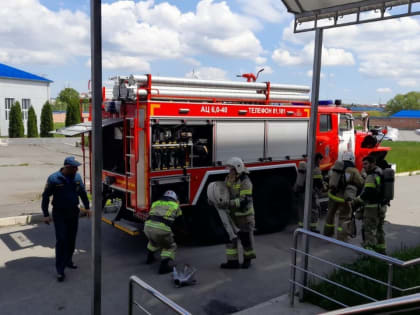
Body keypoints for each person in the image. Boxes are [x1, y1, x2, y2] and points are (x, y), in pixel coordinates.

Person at [42, 156, 91, 282]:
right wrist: (45, 214)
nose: (77, 170)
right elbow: (46, 197)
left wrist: (87, 207)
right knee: (62, 240)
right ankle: (60, 270)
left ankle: (68, 260)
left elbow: (83, 193)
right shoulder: (54, 178)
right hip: (60, 214)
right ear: (67, 168)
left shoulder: (77, 177)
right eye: (75, 168)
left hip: (73, 212)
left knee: (71, 239)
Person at [220, 157, 256, 269]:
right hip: (232, 216)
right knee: (230, 238)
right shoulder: (228, 179)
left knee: (246, 240)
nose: (229, 171)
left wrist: (229, 203)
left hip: (244, 217)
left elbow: (244, 200)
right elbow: (223, 192)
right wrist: (215, 199)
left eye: (231, 169)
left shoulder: (245, 181)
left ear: (237, 169)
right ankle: (232, 262)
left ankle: (247, 259)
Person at [323, 152, 363, 242]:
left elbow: (329, 178)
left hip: (332, 195)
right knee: (344, 217)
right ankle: (341, 237)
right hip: (344, 198)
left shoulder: (335, 167)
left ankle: (327, 233)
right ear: (352, 159)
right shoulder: (353, 171)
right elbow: (360, 183)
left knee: (330, 214)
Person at [354, 155, 387, 254]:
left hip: (371, 208)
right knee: (380, 229)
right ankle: (382, 250)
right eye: (363, 164)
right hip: (381, 206)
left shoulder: (371, 176)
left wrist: (357, 201)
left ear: (373, 164)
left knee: (369, 231)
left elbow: (368, 192)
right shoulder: (380, 172)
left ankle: (369, 255)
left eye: (366, 164)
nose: (364, 166)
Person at [143, 190, 182, 274]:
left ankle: (149, 258)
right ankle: (164, 267)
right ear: (175, 198)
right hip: (161, 229)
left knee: (153, 242)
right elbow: (179, 219)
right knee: (169, 246)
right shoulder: (175, 205)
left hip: (147, 227)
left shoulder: (155, 203)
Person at [295, 153, 325, 232]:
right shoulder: (316, 169)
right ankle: (312, 228)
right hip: (309, 193)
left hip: (300, 191)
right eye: (320, 160)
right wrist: (323, 190)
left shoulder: (306, 165)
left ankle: (301, 226)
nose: (320, 162)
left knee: (302, 209)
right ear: (318, 159)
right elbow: (319, 184)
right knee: (314, 210)